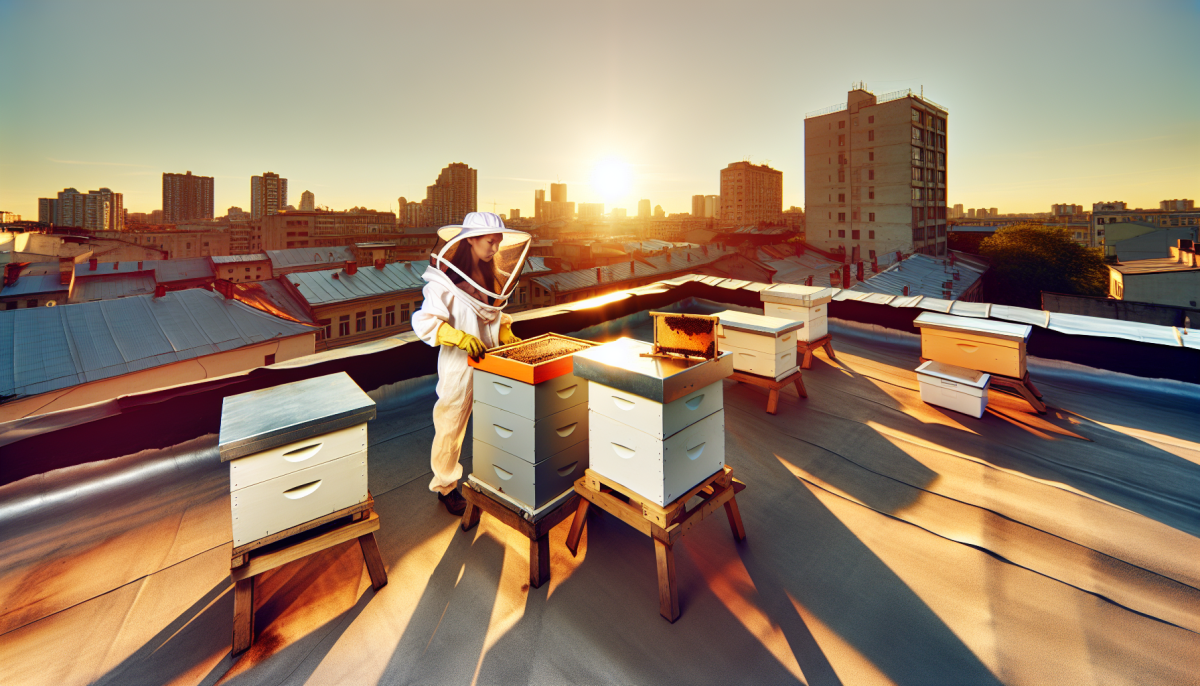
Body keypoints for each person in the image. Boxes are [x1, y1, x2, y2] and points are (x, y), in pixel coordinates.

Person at [411, 212, 531, 514]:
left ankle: (496, 480)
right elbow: (424, 322)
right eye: (490, 242)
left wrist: (505, 329)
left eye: (498, 242)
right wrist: (459, 337)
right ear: (472, 240)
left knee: (497, 425)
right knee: (451, 427)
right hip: (460, 367)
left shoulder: (490, 278)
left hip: (492, 362)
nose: (495, 248)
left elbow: (492, 312)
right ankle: (446, 487)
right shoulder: (443, 283)